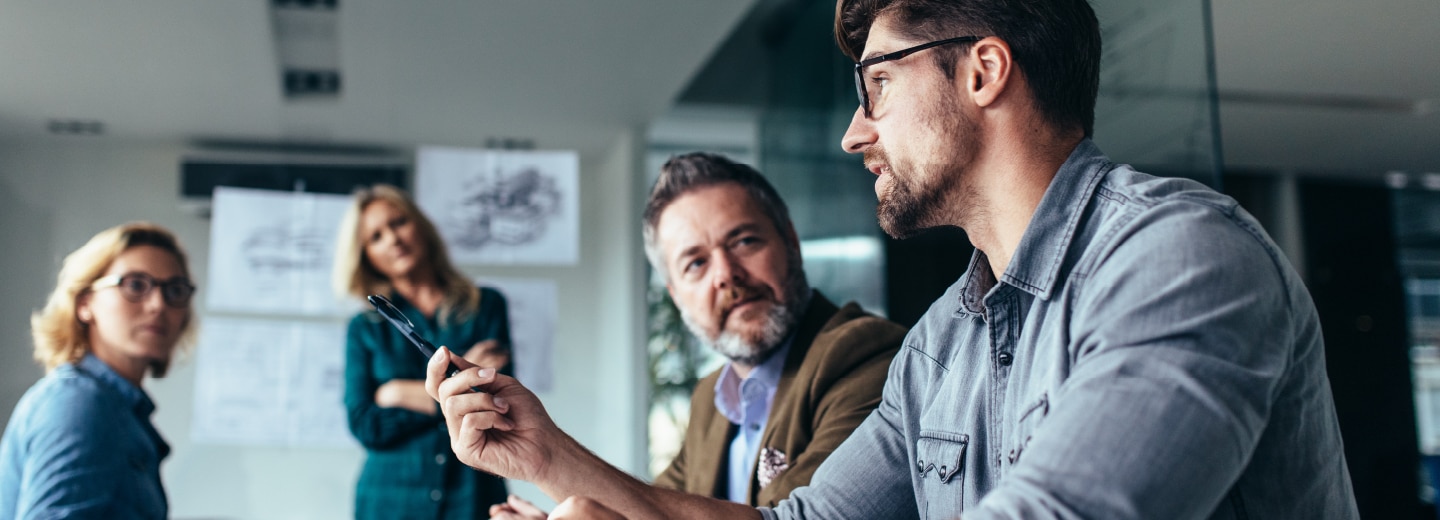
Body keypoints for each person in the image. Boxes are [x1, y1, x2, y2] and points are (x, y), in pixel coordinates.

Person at [427, 0, 1361, 518]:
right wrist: (548, 461)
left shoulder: (1178, 256)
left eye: (878, 84)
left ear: (983, 71)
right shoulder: (945, 342)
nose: (852, 132)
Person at [490, 153, 906, 519]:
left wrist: (546, 456)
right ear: (676, 296)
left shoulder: (865, 355)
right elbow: (656, 508)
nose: (726, 275)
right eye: (695, 264)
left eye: (744, 241)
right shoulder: (712, 397)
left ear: (791, 243)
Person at [334, 184, 513, 520]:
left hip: (473, 496)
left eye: (398, 222)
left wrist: (395, 392)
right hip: (388, 501)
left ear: (420, 226)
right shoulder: (365, 327)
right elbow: (365, 424)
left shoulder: (486, 305)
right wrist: (456, 390)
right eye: (375, 237)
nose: (392, 239)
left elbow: (495, 403)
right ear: (365, 256)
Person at [0, 222, 197, 519]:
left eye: (175, 290)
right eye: (134, 285)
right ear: (85, 303)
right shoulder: (80, 404)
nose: (158, 304)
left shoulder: (117, 409)